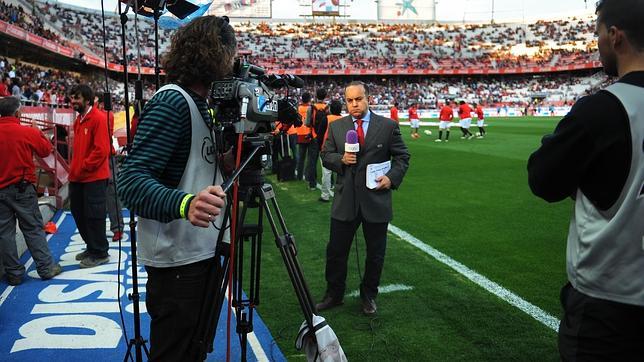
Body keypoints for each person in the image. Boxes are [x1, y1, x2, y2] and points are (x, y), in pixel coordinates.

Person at [528, 0, 644, 359]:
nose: (598, 43)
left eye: (598, 34)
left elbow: (543, 180)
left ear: (615, 36)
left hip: (608, 304)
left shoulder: (602, 109)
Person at [118, 16, 235, 361]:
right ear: (216, 54)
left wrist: (225, 162)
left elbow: (192, 165)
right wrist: (185, 204)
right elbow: (131, 181)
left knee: (194, 352)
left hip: (198, 254)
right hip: (178, 264)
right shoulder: (173, 102)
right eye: (230, 55)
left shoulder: (201, 105)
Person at [317, 81, 410, 316]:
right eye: (349, 100)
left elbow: (402, 157)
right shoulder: (337, 127)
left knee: (375, 254)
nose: (354, 104)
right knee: (336, 252)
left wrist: (391, 178)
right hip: (345, 201)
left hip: (376, 201)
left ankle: (369, 295)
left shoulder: (388, 126)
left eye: (358, 99)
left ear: (368, 98)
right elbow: (326, 155)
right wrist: (341, 160)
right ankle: (334, 294)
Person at [0, 96, 62, 285]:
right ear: (18, 112)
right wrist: (38, 131)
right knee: (33, 228)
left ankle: (14, 274)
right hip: (22, 188)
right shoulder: (26, 132)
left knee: (5, 233)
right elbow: (46, 150)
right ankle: (46, 267)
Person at [68, 84, 111, 269]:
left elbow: (102, 150)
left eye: (76, 98)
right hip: (78, 178)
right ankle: (91, 246)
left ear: (87, 99)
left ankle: (100, 251)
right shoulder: (79, 120)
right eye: (71, 97)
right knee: (79, 214)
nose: (73, 101)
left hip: (93, 177)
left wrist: (83, 168)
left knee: (94, 215)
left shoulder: (98, 118)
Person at [96, 95, 124, 242]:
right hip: (99, 159)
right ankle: (111, 229)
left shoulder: (106, 115)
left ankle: (117, 228)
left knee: (111, 194)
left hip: (107, 159)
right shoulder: (100, 114)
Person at [319, 99, 343, 202]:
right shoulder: (344, 119)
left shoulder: (326, 119)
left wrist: (320, 147)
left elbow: (320, 134)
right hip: (340, 149)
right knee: (340, 173)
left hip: (327, 148)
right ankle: (341, 194)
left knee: (326, 173)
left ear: (331, 109)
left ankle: (325, 195)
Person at [305, 88, 329, 191]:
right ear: (325, 96)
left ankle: (312, 184)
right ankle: (330, 182)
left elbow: (307, 123)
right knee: (327, 160)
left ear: (316, 96)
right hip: (325, 137)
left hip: (314, 136)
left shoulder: (312, 107)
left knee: (312, 161)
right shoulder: (328, 107)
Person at [296, 92, 315, 188]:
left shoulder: (298, 108)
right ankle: (308, 176)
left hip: (299, 134)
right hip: (309, 134)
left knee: (301, 157)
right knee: (310, 157)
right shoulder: (311, 108)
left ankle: (299, 175)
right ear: (309, 99)